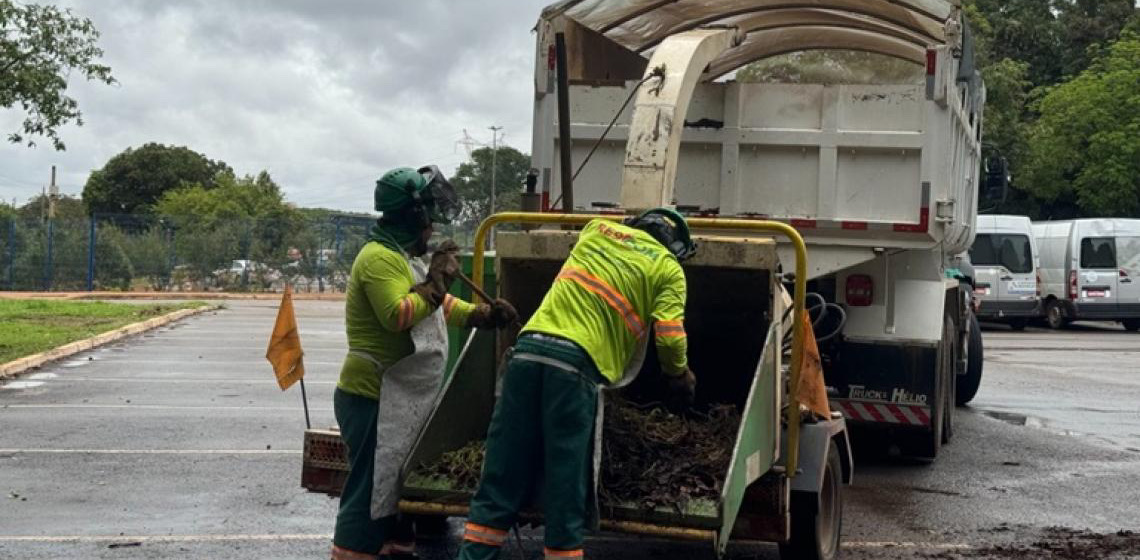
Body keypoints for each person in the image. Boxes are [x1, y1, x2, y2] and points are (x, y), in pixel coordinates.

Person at [457, 208, 699, 560]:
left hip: (524, 355)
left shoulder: (596, 230)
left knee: (501, 472)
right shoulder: (668, 268)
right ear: (675, 247)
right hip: (574, 369)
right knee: (565, 481)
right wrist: (679, 375)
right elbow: (670, 339)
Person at [332, 165, 517, 560]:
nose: (432, 227)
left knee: (390, 492)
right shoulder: (379, 259)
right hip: (371, 395)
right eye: (428, 217)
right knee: (367, 494)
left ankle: (389, 547)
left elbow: (439, 307)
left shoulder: (405, 258)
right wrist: (436, 283)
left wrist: (481, 316)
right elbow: (398, 314)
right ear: (414, 217)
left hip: (396, 395)